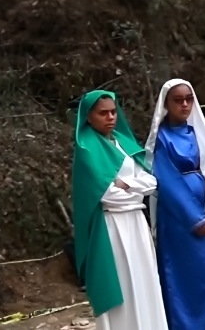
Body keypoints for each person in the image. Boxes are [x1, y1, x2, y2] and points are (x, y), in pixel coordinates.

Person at [71, 90, 168, 330]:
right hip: (112, 228)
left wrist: (127, 185)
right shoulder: (87, 150)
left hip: (136, 222)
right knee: (123, 286)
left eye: (113, 112)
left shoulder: (124, 143)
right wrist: (133, 189)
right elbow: (106, 196)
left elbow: (152, 182)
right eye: (103, 113)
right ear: (89, 116)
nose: (110, 117)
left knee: (145, 282)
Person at [144, 79, 205, 330]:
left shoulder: (199, 133)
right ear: (166, 104)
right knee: (185, 276)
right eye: (178, 100)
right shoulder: (161, 138)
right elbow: (166, 180)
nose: (184, 105)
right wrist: (195, 218)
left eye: (188, 99)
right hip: (178, 221)